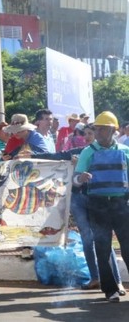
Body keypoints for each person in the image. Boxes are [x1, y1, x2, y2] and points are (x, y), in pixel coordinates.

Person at [30, 123, 125, 293]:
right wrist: (30, 155)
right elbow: (54, 156)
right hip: (83, 201)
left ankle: (116, 282)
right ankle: (98, 280)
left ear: (111, 131)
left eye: (92, 132)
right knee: (90, 240)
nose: (90, 136)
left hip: (109, 203)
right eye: (88, 133)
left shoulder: (118, 150)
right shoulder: (82, 152)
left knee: (109, 243)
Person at [74, 111, 129, 303]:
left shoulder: (125, 150)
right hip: (97, 205)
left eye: (101, 129)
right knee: (103, 247)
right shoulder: (88, 152)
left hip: (121, 203)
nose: (97, 132)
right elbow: (76, 178)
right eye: (96, 128)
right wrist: (80, 178)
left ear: (112, 130)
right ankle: (110, 290)